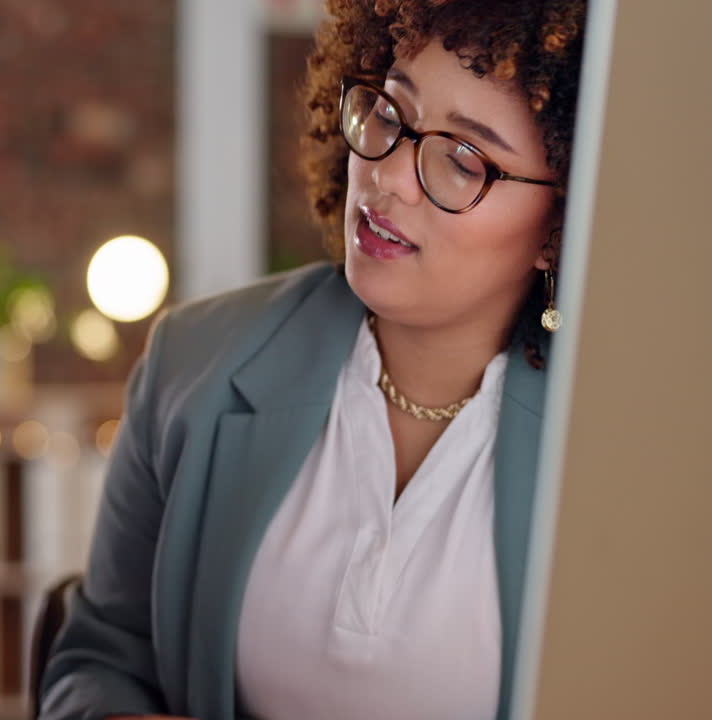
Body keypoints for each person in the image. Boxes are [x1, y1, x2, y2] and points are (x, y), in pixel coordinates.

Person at [37, 1, 586, 718]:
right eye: (390, 114)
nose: (388, 177)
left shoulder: (612, 449)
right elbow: (98, 658)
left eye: (461, 159)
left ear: (562, 221)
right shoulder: (194, 366)